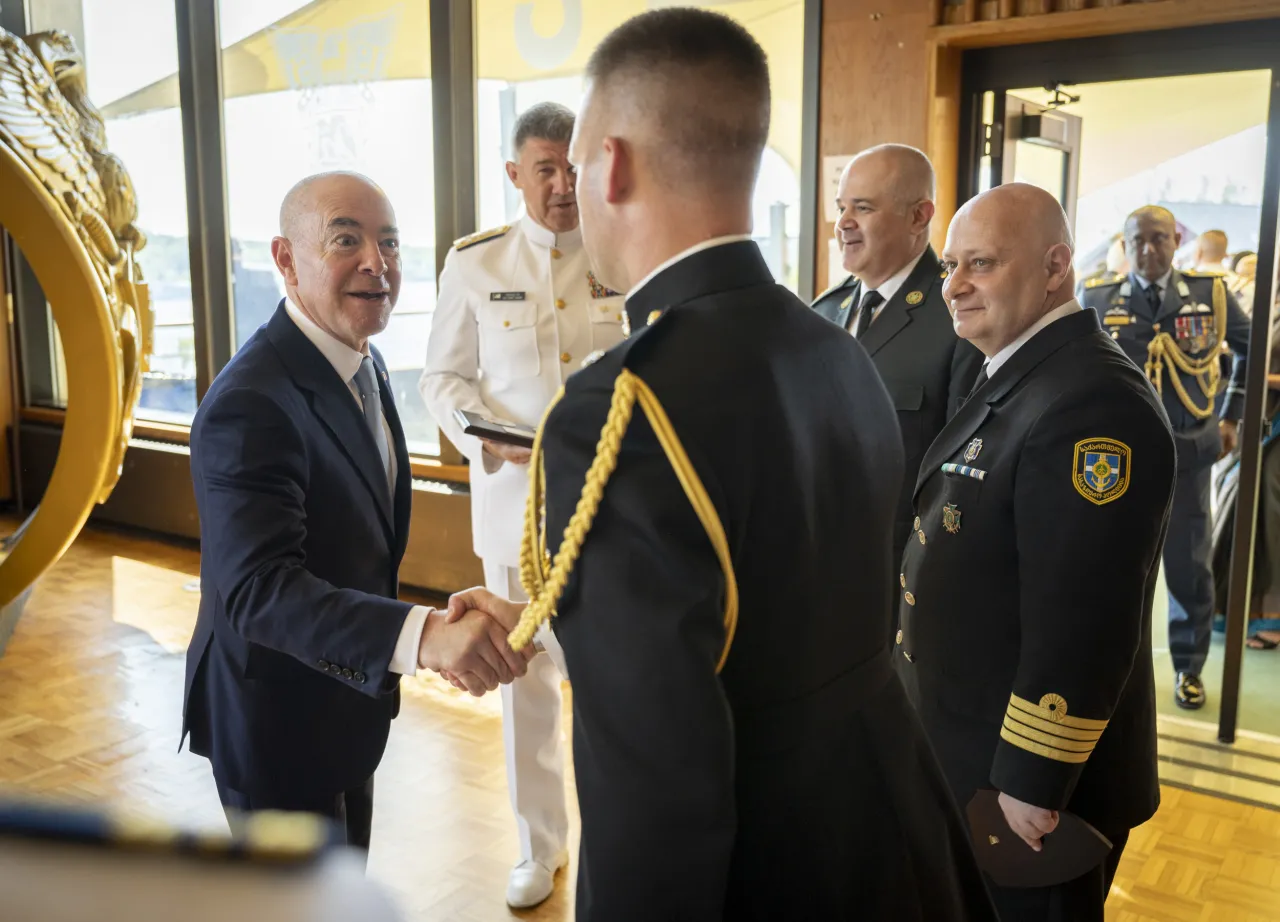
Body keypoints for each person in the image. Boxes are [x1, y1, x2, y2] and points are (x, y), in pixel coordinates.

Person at [447, 9, 997, 920]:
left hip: (764, 862)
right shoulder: (832, 345)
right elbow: (773, 593)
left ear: (611, 165)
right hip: (885, 818)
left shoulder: (620, 410)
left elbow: (654, 788)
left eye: (576, 163)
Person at [181, 172, 532, 853]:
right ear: (285, 260)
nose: (379, 263)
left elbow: (355, 544)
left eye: (391, 243)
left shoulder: (361, 368)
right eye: (347, 239)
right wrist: (423, 636)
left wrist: (431, 620)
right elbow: (259, 591)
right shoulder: (249, 403)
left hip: (347, 701)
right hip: (275, 721)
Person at [898, 183, 1176, 921]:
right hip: (968, 744)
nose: (953, 285)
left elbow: (1084, 615)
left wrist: (1031, 777)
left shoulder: (1091, 401)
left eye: (980, 264)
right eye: (951, 264)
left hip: (1028, 789)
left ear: (1056, 267)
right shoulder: (1020, 374)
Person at [419, 102, 624, 908]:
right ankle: (540, 847)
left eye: (573, 167)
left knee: (611, 685)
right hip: (514, 511)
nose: (563, 185)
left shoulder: (624, 256)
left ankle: (613, 839)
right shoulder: (477, 262)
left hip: (610, 515)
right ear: (515, 174)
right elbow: (442, 380)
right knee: (523, 684)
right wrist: (481, 443)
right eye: (545, 169)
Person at [1080, 205, 1250, 709]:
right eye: (1139, 241)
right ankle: (1109, 669)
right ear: (1125, 244)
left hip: (1186, 452)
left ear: (1176, 241)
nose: (1149, 250)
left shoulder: (1209, 295)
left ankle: (1188, 668)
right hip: (1115, 459)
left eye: (1159, 239)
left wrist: (1231, 415)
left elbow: (1249, 347)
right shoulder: (1097, 296)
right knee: (1111, 565)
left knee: (1187, 567)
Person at [811, 144, 982, 565]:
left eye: (863, 208)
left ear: (919, 216)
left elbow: (963, 475)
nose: (844, 223)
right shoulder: (824, 312)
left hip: (901, 570)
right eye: (841, 207)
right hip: (815, 558)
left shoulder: (958, 317)